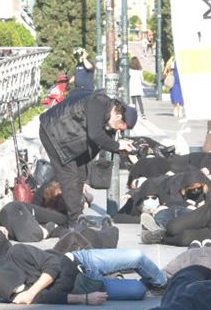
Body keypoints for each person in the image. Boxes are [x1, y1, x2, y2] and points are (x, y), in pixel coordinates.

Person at [38, 90, 137, 226]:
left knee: (81, 174)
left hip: (70, 138)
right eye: (121, 127)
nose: (119, 131)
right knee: (70, 176)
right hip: (53, 132)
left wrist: (122, 151)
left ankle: (77, 216)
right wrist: (118, 145)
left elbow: (102, 139)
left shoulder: (107, 111)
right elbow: (95, 135)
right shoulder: (98, 103)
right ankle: (74, 221)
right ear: (118, 115)